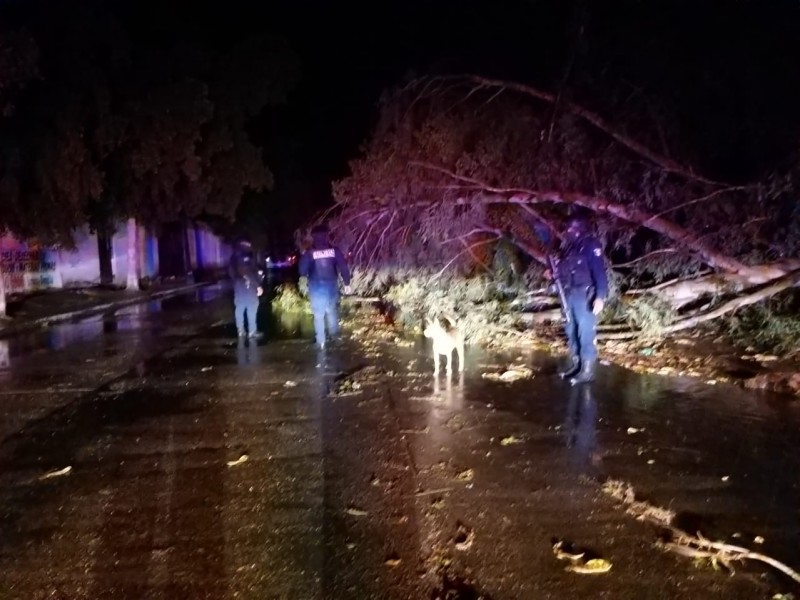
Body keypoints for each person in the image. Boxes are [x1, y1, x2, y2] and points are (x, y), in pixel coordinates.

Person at [553, 215, 609, 384]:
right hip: (568, 295)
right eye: (567, 229)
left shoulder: (590, 245)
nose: (568, 232)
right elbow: (563, 273)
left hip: (585, 295)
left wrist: (600, 296)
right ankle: (576, 365)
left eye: (571, 229)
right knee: (571, 330)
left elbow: (599, 272)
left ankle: (587, 371)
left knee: (585, 332)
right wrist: (553, 275)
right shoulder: (568, 249)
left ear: (579, 229)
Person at [299, 224, 351, 350]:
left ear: (313, 238)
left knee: (318, 314)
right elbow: (343, 266)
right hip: (332, 286)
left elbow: (302, 270)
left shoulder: (310, 252)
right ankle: (336, 337)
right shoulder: (334, 250)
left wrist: (303, 278)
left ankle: (320, 341)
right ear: (327, 236)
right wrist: (347, 283)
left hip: (316, 287)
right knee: (332, 310)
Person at [228, 239, 263, 338]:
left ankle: (241, 330)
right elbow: (247, 272)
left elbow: (231, 272)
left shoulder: (233, 257)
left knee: (240, 307)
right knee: (252, 306)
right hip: (247, 286)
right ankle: (252, 331)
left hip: (238, 286)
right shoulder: (245, 256)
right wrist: (258, 286)